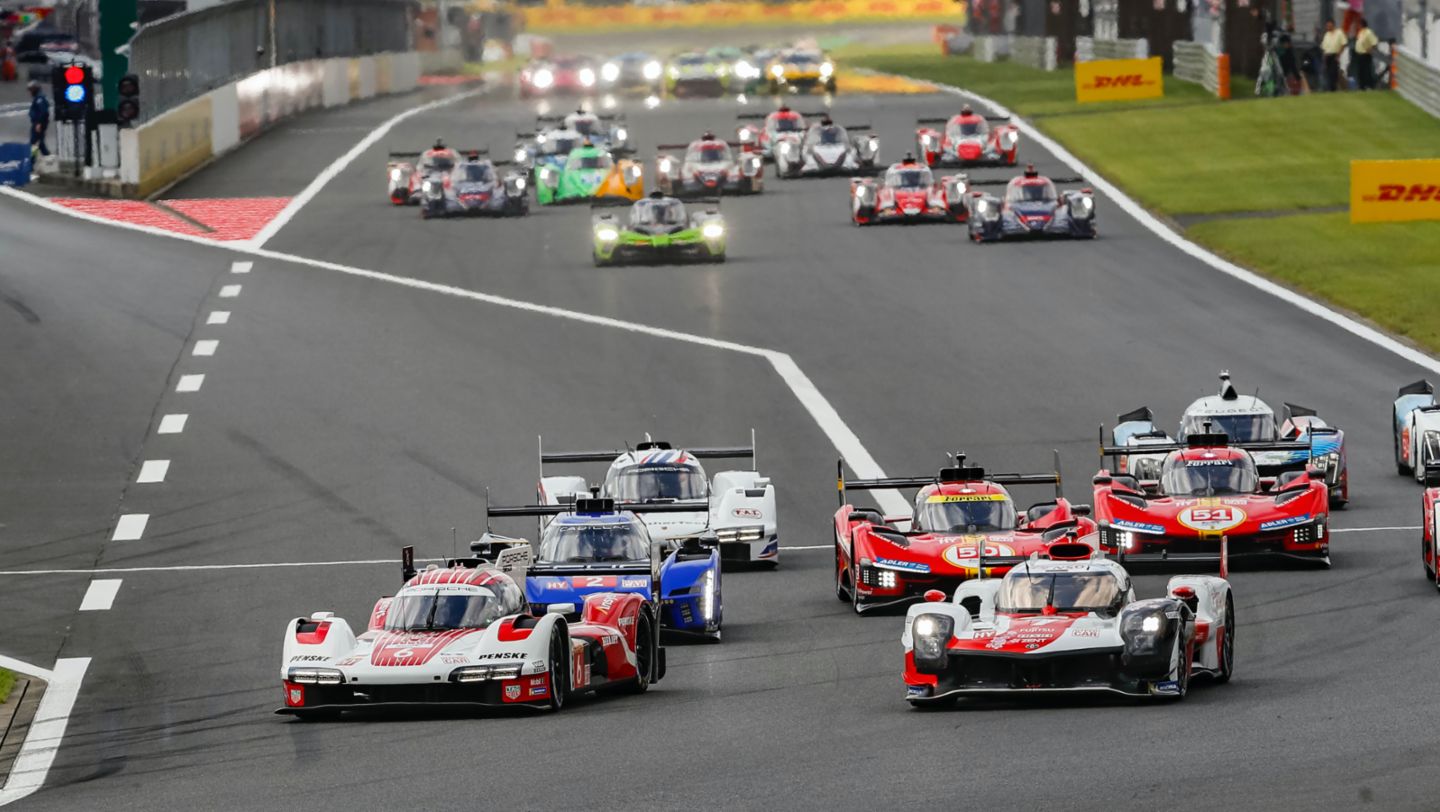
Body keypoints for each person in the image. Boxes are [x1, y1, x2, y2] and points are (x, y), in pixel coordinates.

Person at [1320, 19, 1347, 91]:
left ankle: (1333, 88)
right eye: (1327, 26)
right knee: (1328, 73)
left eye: (1329, 25)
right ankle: (1330, 88)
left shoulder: (1339, 32)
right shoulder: (1326, 35)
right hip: (1327, 56)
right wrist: (1324, 58)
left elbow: (1343, 44)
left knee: (1333, 72)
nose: (1327, 27)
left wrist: (1339, 54)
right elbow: (1324, 48)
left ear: (1333, 25)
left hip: (1335, 55)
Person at [1353, 17, 1379, 90]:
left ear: (1362, 24)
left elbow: (1374, 43)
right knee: (1360, 71)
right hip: (1359, 54)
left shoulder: (1368, 32)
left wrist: (1370, 50)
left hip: (1365, 54)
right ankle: (1362, 86)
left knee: (1366, 71)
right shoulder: (1361, 32)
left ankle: (1369, 86)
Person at [27, 80, 49, 158]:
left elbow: (43, 112)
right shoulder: (38, 98)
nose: (30, 92)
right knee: (39, 143)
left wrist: (39, 123)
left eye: (31, 90)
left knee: (34, 142)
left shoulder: (40, 99)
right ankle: (47, 157)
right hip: (37, 123)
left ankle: (33, 159)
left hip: (38, 124)